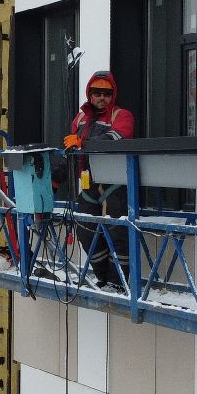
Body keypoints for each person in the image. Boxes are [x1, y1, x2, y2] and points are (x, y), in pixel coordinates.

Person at [64, 71, 134, 287]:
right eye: (97, 93)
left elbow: (113, 140)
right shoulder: (81, 118)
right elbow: (70, 151)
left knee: (117, 233)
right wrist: (55, 180)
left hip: (114, 182)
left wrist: (82, 143)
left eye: (106, 93)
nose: (101, 98)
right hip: (88, 182)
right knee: (85, 231)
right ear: (89, 94)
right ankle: (103, 278)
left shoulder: (122, 116)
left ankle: (117, 282)